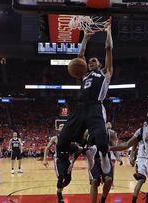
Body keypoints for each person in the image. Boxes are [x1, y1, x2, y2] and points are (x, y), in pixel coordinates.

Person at [57, 20, 113, 175]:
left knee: (101, 139)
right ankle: (64, 162)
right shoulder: (83, 74)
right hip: (81, 108)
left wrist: (108, 32)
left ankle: (103, 156)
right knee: (62, 141)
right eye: (89, 61)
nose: (90, 62)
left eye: (93, 60)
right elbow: (80, 55)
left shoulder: (105, 73)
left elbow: (108, 49)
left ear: (100, 64)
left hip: (96, 106)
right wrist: (85, 38)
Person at [43, 124, 84, 203]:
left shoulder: (69, 138)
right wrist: (45, 159)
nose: (62, 127)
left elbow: (76, 148)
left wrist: (80, 149)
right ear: (58, 129)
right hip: (58, 159)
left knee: (68, 179)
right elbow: (47, 148)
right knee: (61, 176)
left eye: (64, 126)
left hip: (66, 159)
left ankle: (60, 188)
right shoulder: (55, 138)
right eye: (61, 126)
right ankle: (59, 196)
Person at [129, 122, 148, 203]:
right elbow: (133, 148)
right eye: (144, 124)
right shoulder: (139, 134)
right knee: (140, 180)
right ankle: (134, 200)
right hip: (141, 160)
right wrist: (131, 158)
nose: (145, 125)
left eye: (147, 124)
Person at [106, 122, 123, 188]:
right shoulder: (104, 132)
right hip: (105, 152)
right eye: (107, 123)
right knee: (108, 169)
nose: (109, 124)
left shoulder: (113, 133)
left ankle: (111, 182)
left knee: (111, 168)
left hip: (110, 152)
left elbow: (115, 146)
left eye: (110, 123)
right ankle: (108, 181)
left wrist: (118, 157)